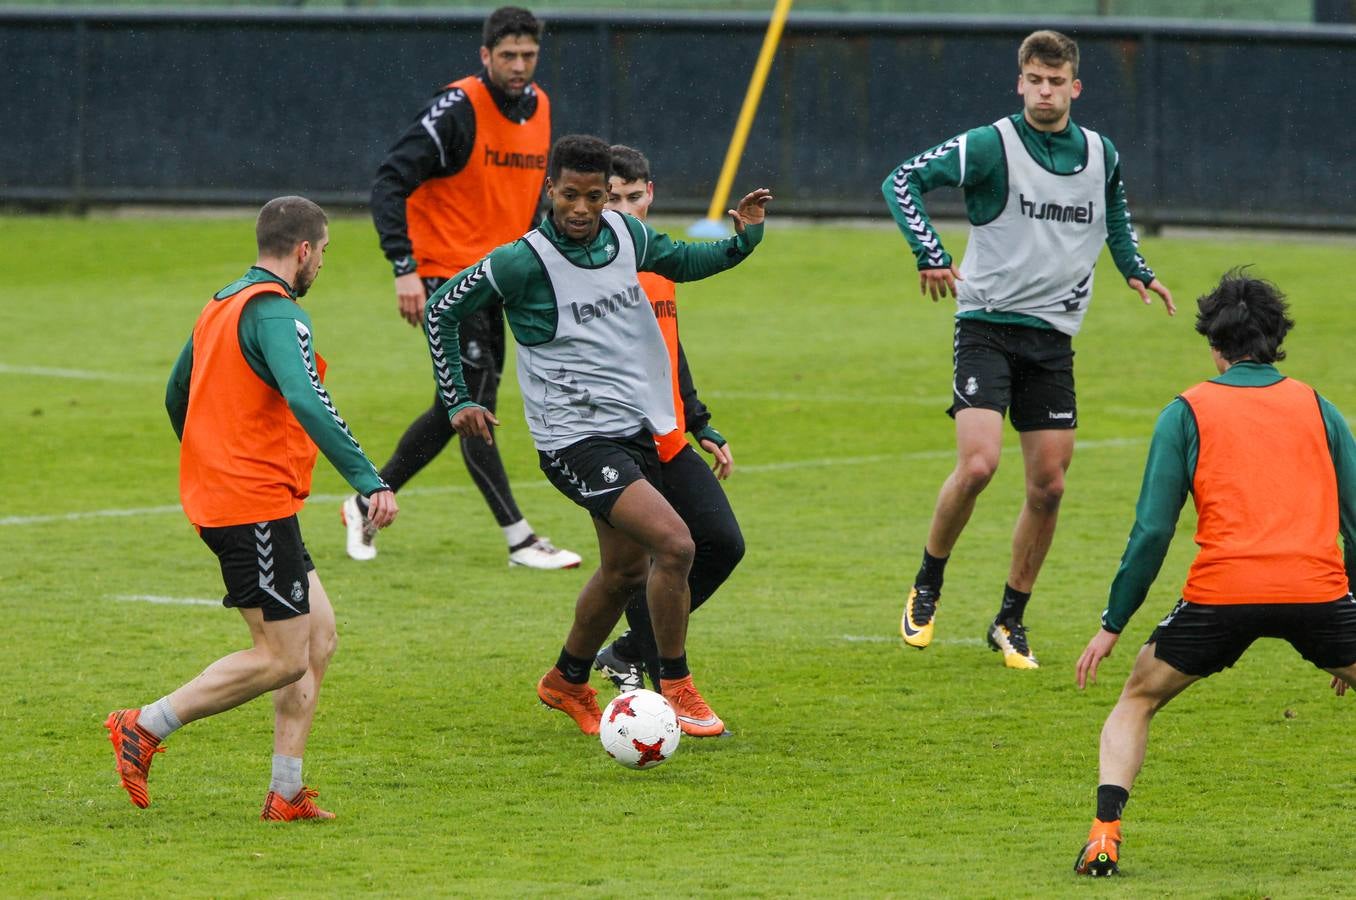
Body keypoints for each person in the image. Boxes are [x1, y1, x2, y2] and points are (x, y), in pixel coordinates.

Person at [425, 134, 771, 737]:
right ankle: (675, 683)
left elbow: (686, 261)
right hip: (572, 440)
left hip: (635, 428)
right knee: (678, 545)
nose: (582, 209)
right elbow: (442, 311)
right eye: (569, 195)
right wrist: (459, 398)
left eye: (594, 196)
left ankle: (566, 680)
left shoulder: (627, 236)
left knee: (623, 573)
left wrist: (745, 240)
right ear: (549, 191)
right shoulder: (520, 261)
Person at [881, 29, 1174, 669]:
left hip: (1053, 339)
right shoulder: (992, 145)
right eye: (1033, 80)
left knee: (1049, 487)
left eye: (1056, 81)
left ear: (1075, 85)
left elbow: (1114, 217)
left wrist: (1135, 266)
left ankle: (1010, 619)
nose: (1044, 91)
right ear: (1020, 83)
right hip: (985, 325)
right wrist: (929, 253)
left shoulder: (1101, 152)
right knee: (980, 464)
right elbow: (900, 180)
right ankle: (927, 585)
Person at [105, 196, 398, 820]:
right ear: (303, 251)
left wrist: (211, 454)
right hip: (249, 503)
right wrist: (369, 479)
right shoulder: (274, 312)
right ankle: (144, 725)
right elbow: (306, 397)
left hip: (243, 498)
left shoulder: (221, 302)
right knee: (282, 656)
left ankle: (286, 792)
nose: (320, 264)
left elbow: (175, 392)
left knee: (317, 638)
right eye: (322, 253)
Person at [1072, 270, 1356, 876]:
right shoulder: (1320, 408)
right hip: (1316, 593)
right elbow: (1355, 526)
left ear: (1213, 345)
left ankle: (1103, 835)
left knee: (1137, 699)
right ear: (1278, 338)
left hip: (1221, 597)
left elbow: (1152, 532)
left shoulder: (1185, 413)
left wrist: (1112, 623)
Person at [348, 5, 580, 570]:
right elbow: (390, 181)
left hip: (498, 278)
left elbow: (523, 204)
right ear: (485, 56)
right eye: (508, 56)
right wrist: (404, 268)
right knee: (471, 402)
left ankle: (364, 501)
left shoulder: (541, 108)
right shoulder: (457, 109)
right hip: (445, 277)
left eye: (528, 55)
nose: (520, 66)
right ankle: (520, 538)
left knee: (452, 405)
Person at [592, 144, 746, 693]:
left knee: (722, 544)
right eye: (612, 200)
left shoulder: (656, 259)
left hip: (671, 437)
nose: (625, 210)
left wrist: (700, 422)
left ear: (650, 194)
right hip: (619, 443)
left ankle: (630, 652)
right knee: (644, 561)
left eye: (634, 198)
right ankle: (662, 682)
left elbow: (669, 349)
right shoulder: (589, 270)